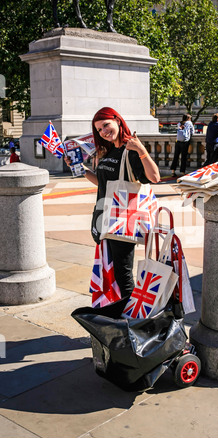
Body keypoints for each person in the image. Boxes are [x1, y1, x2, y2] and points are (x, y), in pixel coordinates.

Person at [64, 107, 160, 298]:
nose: (103, 132)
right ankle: (122, 311)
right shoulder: (106, 150)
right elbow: (103, 183)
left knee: (122, 274)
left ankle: (130, 317)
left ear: (117, 120)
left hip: (123, 218)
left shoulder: (130, 149)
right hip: (105, 215)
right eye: (99, 129)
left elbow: (155, 177)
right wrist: (81, 169)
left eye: (106, 125)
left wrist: (141, 150)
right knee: (114, 271)